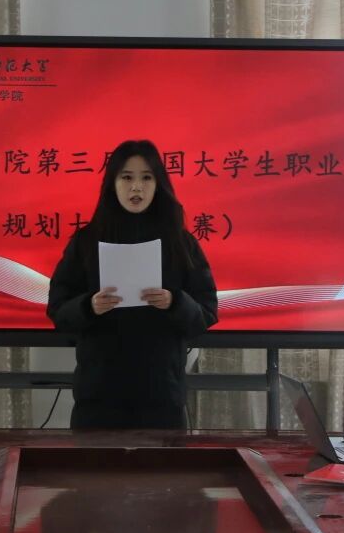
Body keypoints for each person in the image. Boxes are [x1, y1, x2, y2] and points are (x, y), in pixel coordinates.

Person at [47, 140, 218, 429]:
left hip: (161, 396)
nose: (136, 187)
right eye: (126, 177)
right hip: (99, 396)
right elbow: (58, 310)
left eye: (146, 178)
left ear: (158, 184)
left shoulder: (180, 242)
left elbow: (206, 312)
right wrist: (88, 306)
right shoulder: (87, 241)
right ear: (112, 184)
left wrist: (175, 302)